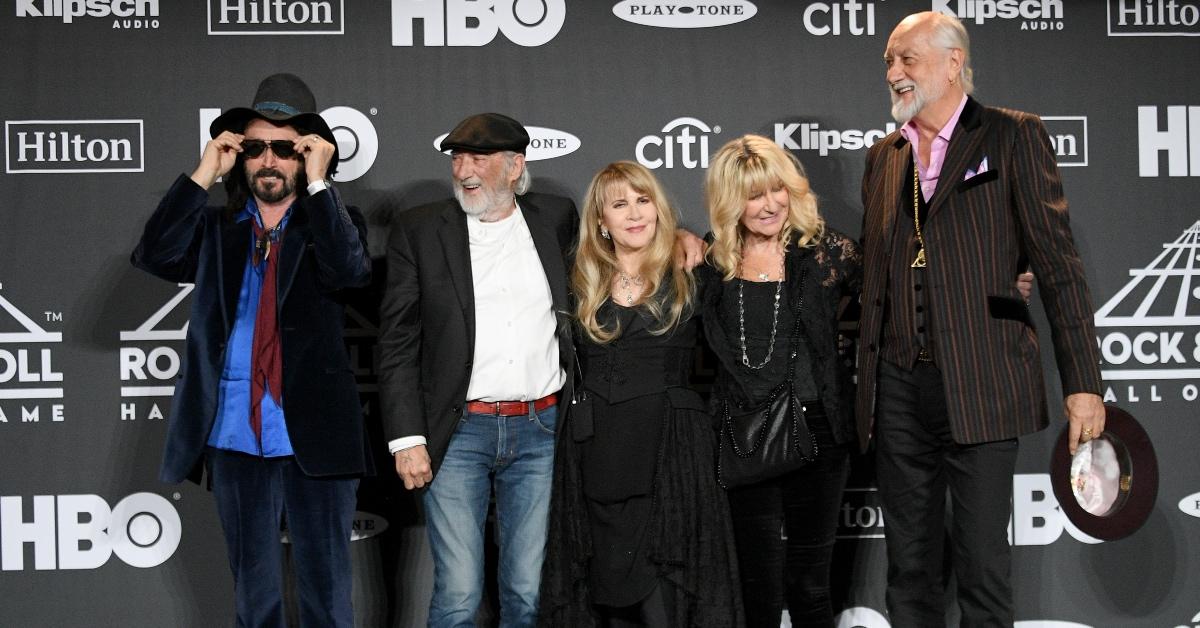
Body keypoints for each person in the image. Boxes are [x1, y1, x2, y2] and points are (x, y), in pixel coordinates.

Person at [856, 12, 1106, 626]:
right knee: (909, 568)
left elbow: (1057, 265)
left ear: (953, 63)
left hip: (983, 378)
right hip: (897, 387)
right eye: (889, 61)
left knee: (983, 567)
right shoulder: (883, 157)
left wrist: (1083, 384)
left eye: (907, 59)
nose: (894, 74)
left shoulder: (1011, 135)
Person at [131, 72, 372, 627]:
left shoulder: (332, 223)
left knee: (327, 599)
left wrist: (319, 184)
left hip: (314, 433)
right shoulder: (217, 228)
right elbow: (156, 256)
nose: (269, 160)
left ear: (309, 154)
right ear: (239, 157)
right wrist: (201, 174)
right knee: (254, 601)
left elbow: (349, 269)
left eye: (286, 149)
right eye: (256, 147)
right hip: (234, 433)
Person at [378, 113, 578, 627]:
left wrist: (689, 245)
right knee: (459, 593)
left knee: (529, 592)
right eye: (457, 158)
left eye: (479, 158)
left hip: (541, 430)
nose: (464, 170)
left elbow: (622, 254)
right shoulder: (420, 230)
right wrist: (406, 439)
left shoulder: (556, 217)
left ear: (515, 166)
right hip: (457, 431)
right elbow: (398, 340)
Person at [539, 161, 742, 627]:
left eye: (643, 200)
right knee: (603, 592)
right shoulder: (576, 281)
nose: (634, 214)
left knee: (665, 599)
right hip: (594, 454)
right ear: (600, 221)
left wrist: (689, 237)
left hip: (669, 456)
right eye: (620, 204)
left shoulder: (694, 269)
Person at [701, 135, 861, 628]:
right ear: (731, 201)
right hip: (745, 434)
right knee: (758, 589)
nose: (768, 205)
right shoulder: (713, 261)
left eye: (776, 190)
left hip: (819, 434)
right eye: (752, 195)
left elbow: (890, 306)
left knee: (810, 586)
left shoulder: (828, 253)